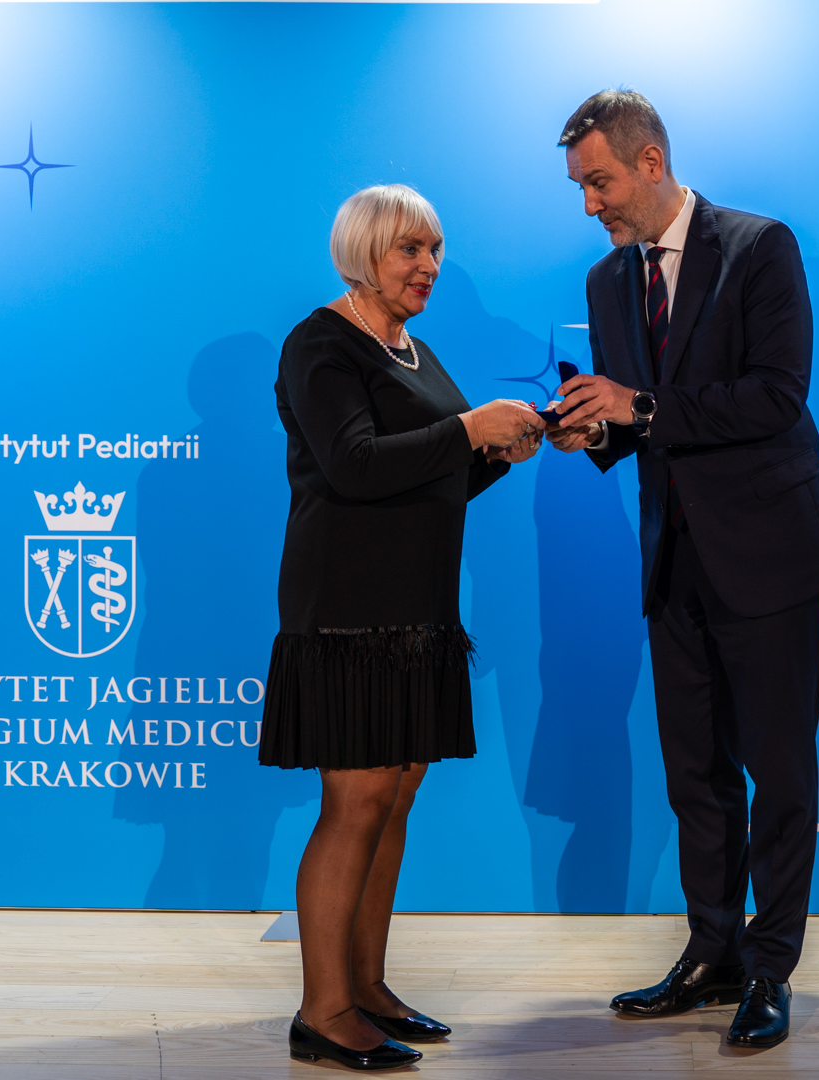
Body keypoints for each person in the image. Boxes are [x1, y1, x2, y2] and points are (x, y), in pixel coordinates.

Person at [547, 90, 819, 1050]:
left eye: (599, 181)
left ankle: (770, 968)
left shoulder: (761, 247)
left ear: (651, 162)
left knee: (780, 771)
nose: (589, 204)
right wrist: (592, 431)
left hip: (772, 555)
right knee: (695, 772)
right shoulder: (607, 282)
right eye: (579, 186)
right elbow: (638, 425)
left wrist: (635, 408)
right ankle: (712, 952)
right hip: (674, 558)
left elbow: (775, 396)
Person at [258, 184, 544, 1071]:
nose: (428, 267)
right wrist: (468, 428)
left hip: (419, 607)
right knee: (355, 803)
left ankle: (367, 987)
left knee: (395, 795)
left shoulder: (415, 350)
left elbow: (433, 476)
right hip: (347, 607)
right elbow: (352, 466)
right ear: (364, 254)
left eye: (435, 251)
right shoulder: (320, 343)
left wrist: (500, 450)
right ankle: (322, 1012)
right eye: (409, 251)